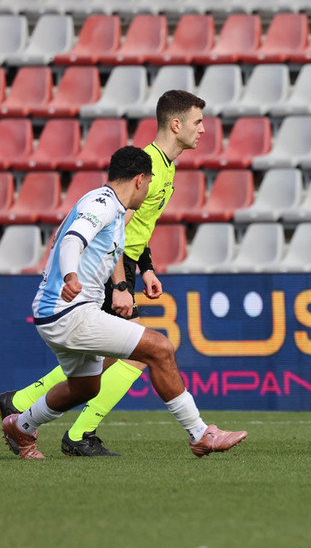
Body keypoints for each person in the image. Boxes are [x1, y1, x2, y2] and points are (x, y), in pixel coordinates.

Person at [2, 146, 246, 460]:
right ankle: (200, 434)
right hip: (70, 312)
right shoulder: (103, 205)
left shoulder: (110, 206)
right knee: (159, 348)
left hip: (58, 313)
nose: (148, 192)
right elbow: (73, 239)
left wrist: (134, 276)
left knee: (85, 388)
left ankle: (21, 426)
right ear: (140, 180)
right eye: (148, 185)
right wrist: (71, 276)